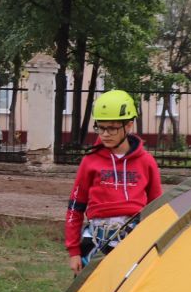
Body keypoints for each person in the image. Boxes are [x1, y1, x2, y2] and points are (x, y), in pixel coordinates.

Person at [63, 89, 163, 272]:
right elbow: (74, 208)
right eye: (101, 127)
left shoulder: (146, 162)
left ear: (129, 126)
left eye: (112, 128)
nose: (105, 134)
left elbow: (157, 208)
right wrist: (74, 251)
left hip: (134, 239)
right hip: (95, 240)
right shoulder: (90, 161)